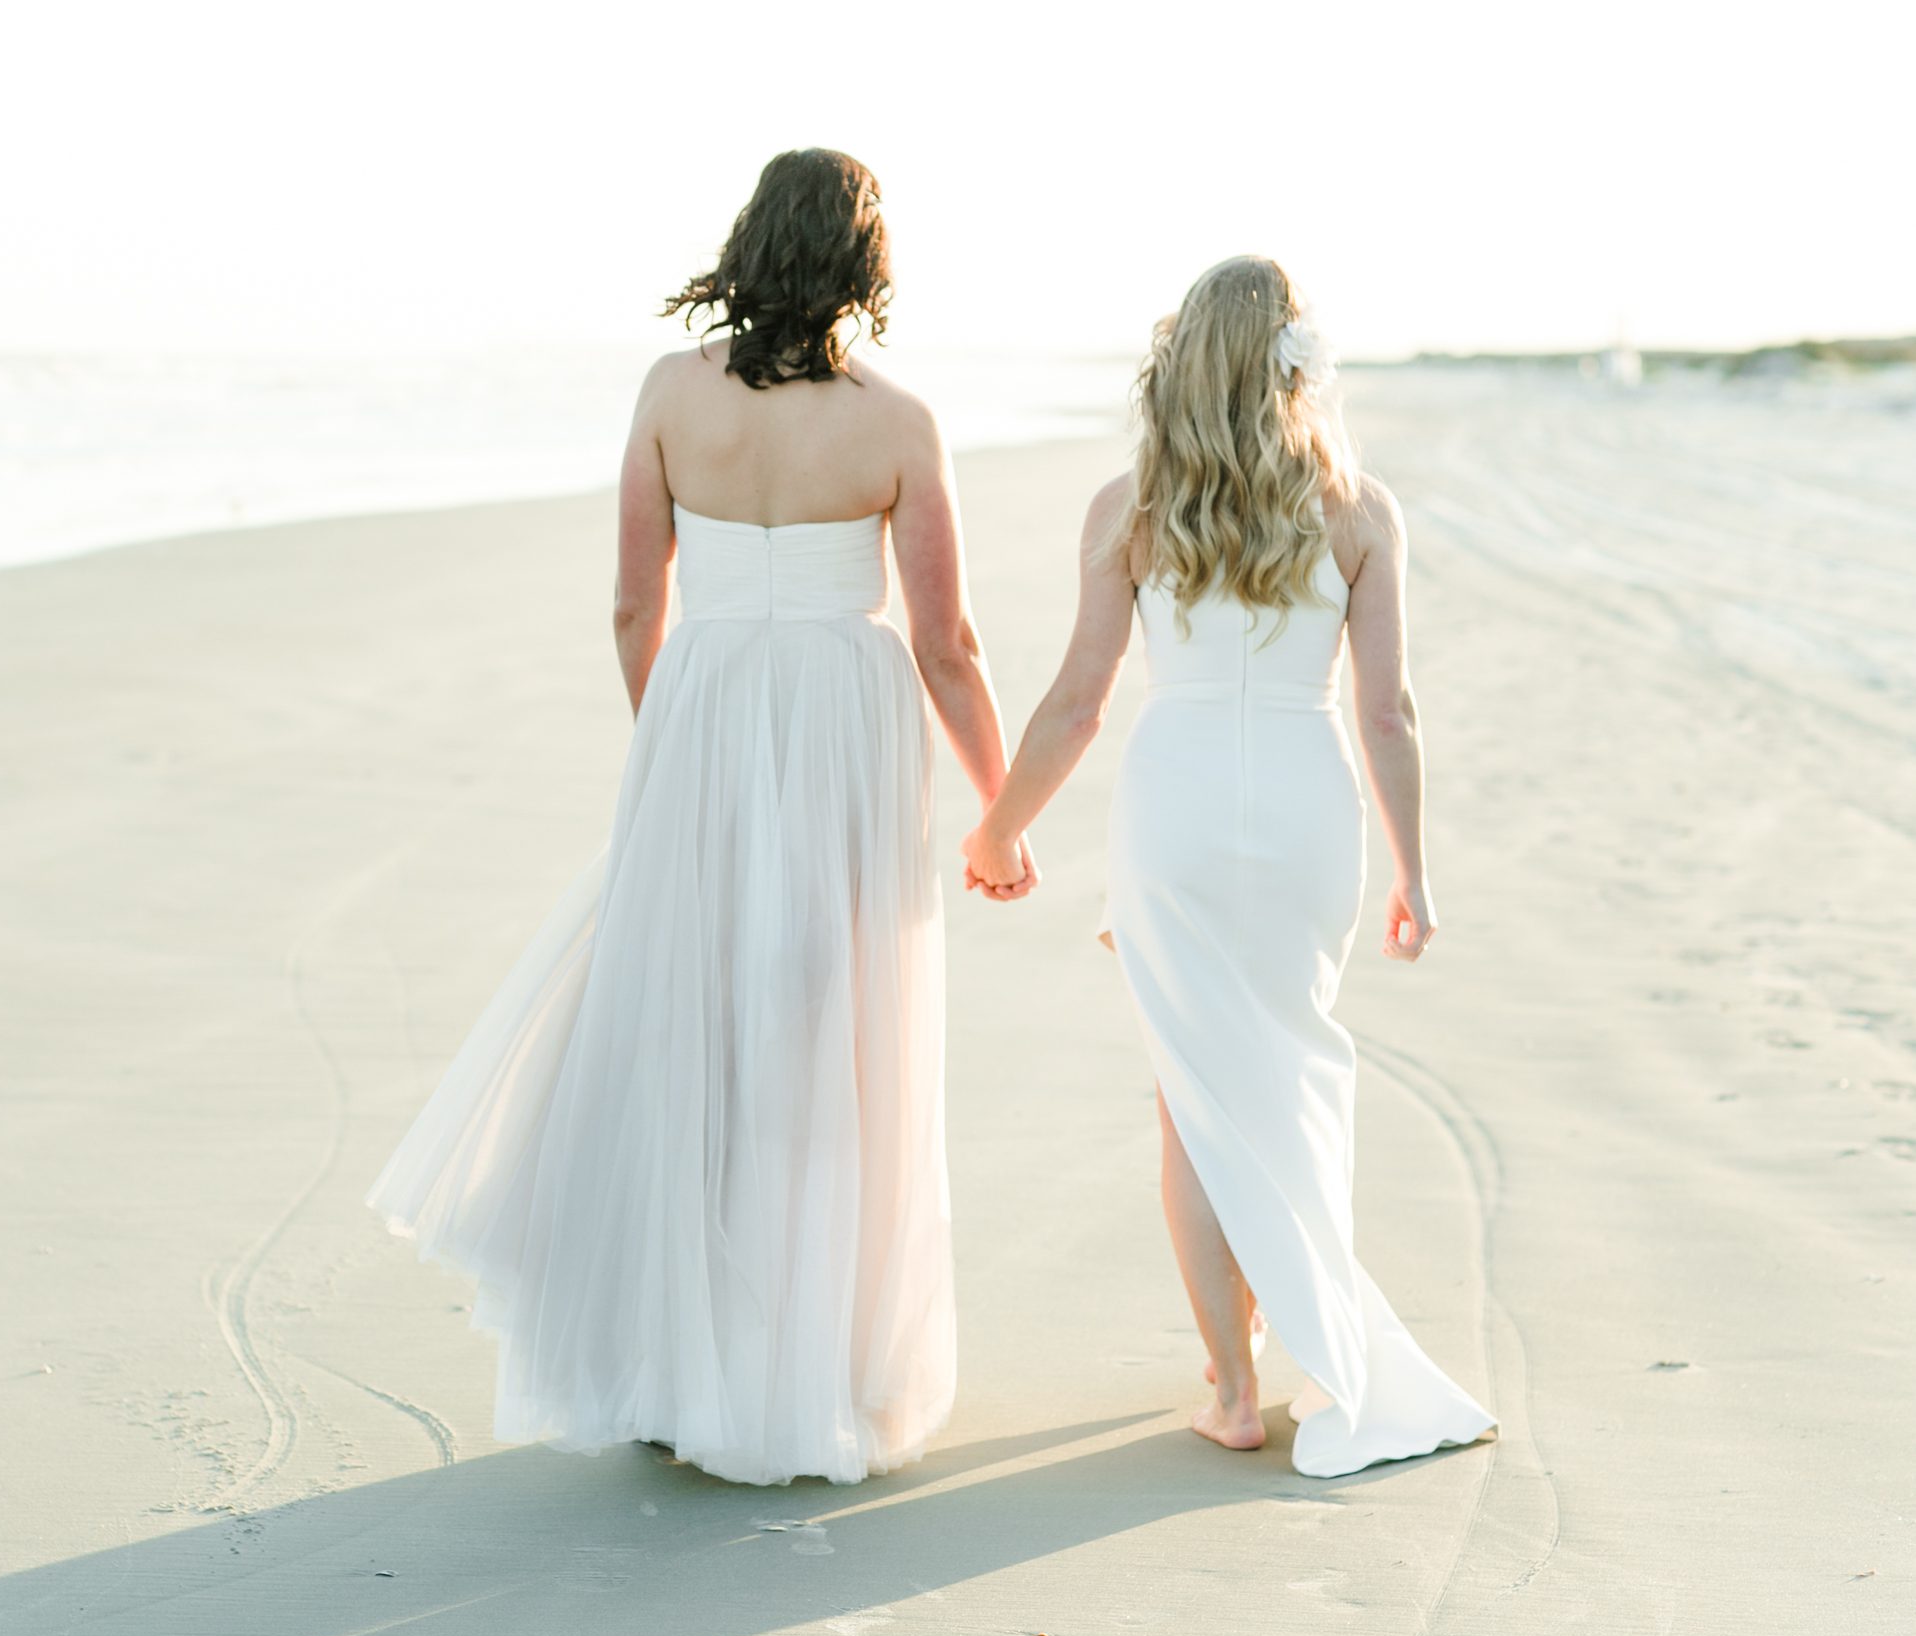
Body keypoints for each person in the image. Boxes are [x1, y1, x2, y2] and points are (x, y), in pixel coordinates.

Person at [369, 149, 1026, 1486]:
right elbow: (947, 640)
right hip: (844, 726)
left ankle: (682, 1368)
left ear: (747, 244)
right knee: (828, 1045)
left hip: (705, 710)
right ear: (863, 266)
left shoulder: (671, 394)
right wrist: (1001, 808)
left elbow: (631, 603)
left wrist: (670, 740)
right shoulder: (897, 422)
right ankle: (808, 1368)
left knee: (696, 1039)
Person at [963, 256, 1496, 1477]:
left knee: (1192, 1097)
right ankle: (1282, 1339)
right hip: (1308, 809)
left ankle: (1235, 1383)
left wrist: (1000, 827)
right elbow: (1387, 715)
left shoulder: (1131, 506)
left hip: (1177, 809)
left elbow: (1077, 702)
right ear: (1297, 362)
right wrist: (1414, 868)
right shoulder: (1359, 508)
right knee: (1290, 1071)